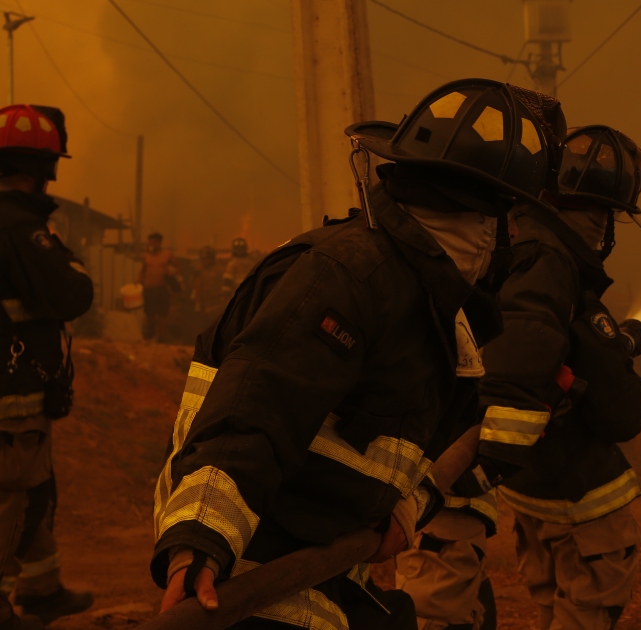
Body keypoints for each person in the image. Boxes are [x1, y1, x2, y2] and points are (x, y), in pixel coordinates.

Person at [152, 79, 566, 630]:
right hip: (255, 565)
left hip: (331, 561)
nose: (514, 239)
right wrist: (200, 540)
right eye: (513, 220)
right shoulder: (348, 277)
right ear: (483, 218)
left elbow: (425, 444)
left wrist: (405, 508)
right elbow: (256, 407)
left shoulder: (441, 307)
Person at [463, 125, 641, 630]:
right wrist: (610, 353)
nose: (602, 228)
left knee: (550, 607)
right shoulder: (552, 260)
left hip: (532, 489)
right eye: (607, 216)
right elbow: (620, 412)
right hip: (581, 498)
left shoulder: (512, 240)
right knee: (585, 611)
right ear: (602, 214)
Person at [0, 104, 95, 630]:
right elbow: (72, 294)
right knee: (13, 497)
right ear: (44, 168)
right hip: (13, 393)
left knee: (32, 490)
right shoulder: (22, 228)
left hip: (12, 389)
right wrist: (75, 265)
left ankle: (41, 589)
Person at [137, 232, 177, 341]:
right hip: (149, 289)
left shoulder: (167, 255)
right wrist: (137, 283)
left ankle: (161, 338)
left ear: (159, 243)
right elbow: (142, 271)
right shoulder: (146, 256)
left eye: (153, 243)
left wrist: (172, 274)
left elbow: (177, 267)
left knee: (162, 314)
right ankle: (150, 336)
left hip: (162, 288)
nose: (151, 245)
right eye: (149, 243)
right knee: (149, 314)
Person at [189, 246, 224, 321]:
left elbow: (224, 287)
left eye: (207, 258)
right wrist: (197, 305)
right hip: (202, 305)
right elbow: (194, 288)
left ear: (212, 258)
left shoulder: (220, 271)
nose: (204, 261)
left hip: (216, 304)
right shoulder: (198, 271)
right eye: (203, 258)